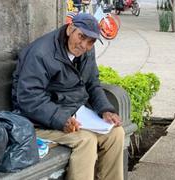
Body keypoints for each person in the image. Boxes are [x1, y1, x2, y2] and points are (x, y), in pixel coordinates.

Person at [11, 13, 125, 180]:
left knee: (116, 133)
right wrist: (61, 118)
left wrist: (105, 109)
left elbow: (93, 83)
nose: (84, 45)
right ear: (71, 29)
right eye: (81, 37)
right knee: (86, 140)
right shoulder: (41, 53)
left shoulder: (87, 50)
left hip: (73, 113)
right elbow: (29, 97)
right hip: (37, 121)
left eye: (90, 41)